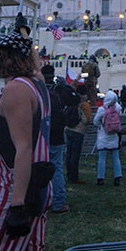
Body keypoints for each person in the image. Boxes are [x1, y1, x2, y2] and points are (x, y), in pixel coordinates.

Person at [0, 32, 51, 249]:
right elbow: (36, 69)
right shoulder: (38, 84)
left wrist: (17, 205)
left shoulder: (16, 90)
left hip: (14, 187)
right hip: (38, 184)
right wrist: (27, 40)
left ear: (5, 58)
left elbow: (24, 148)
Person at [41, 65, 69, 214]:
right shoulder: (59, 91)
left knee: (40, 168)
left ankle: (42, 201)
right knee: (56, 168)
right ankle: (58, 202)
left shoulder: (39, 91)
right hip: (57, 135)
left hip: (42, 135)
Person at [94, 91, 123, 186]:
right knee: (116, 158)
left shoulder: (102, 110)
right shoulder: (117, 108)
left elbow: (95, 121)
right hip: (114, 135)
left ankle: (100, 178)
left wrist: (101, 125)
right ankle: (117, 177)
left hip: (103, 135)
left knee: (102, 158)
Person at [65, 84, 92, 184]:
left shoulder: (72, 100)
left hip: (68, 129)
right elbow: (87, 120)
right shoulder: (84, 104)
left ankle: (68, 175)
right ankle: (74, 177)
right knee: (75, 155)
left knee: (69, 154)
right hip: (78, 131)